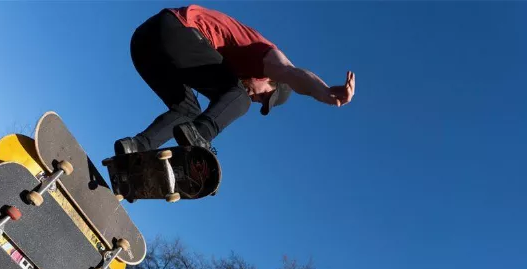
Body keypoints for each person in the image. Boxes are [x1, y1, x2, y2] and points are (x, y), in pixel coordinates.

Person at [114, 4, 355, 156]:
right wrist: (321, 91)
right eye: (264, 95)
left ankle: (136, 148)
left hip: (145, 43)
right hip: (178, 30)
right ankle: (198, 139)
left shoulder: (229, 68)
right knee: (238, 97)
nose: (256, 97)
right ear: (270, 79)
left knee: (187, 109)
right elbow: (292, 73)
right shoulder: (267, 57)